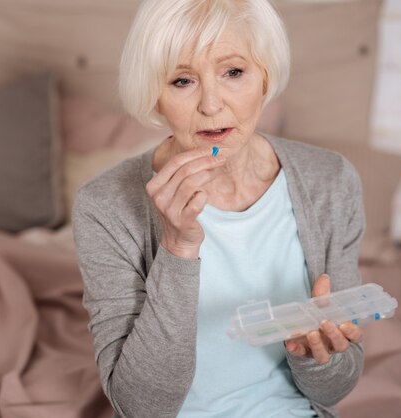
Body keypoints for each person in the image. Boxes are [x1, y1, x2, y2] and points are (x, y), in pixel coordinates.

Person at [72, 0, 365, 417]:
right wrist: (177, 247)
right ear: (155, 96)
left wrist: (315, 353)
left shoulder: (330, 181)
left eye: (233, 72)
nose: (211, 105)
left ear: (264, 77)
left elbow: (339, 385)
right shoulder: (105, 205)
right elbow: (141, 407)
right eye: (181, 81)